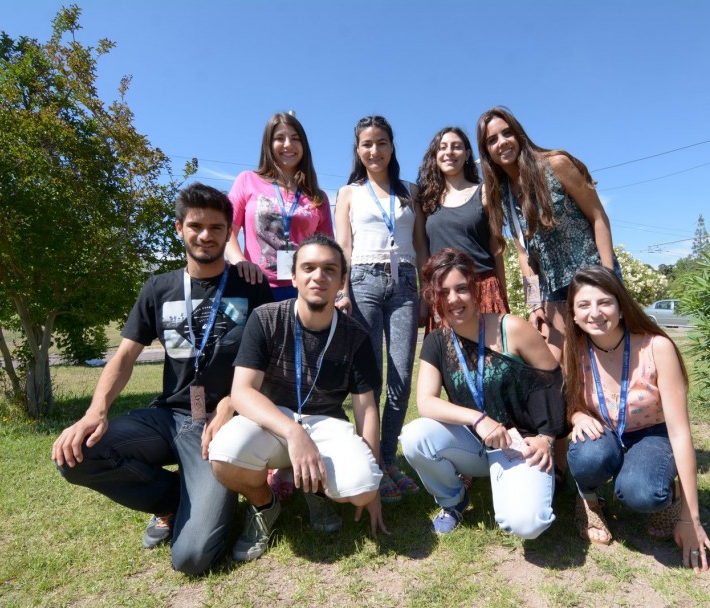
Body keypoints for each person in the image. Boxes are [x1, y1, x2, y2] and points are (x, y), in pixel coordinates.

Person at [52, 183, 273, 575]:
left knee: (192, 558)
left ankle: (199, 505)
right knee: (78, 454)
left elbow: (268, 364)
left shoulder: (251, 287)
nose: (206, 235)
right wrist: (95, 411)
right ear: (179, 229)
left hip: (222, 425)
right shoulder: (158, 287)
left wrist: (230, 406)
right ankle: (172, 501)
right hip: (168, 417)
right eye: (196, 226)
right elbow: (124, 356)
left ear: (228, 231)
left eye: (216, 227)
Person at [207, 234, 387, 562]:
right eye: (308, 268)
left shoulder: (355, 336)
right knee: (223, 454)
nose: (318, 276)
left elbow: (367, 409)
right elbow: (242, 391)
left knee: (362, 489)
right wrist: (293, 432)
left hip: (326, 424)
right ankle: (264, 505)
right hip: (272, 420)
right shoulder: (265, 318)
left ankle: (315, 490)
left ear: (342, 280)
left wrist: (374, 480)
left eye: (330, 269)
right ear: (294, 276)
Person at [401, 248, 567, 537]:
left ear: (475, 289)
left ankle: (534, 482)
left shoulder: (511, 328)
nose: (453, 299)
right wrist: (478, 419)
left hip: (520, 443)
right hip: (474, 442)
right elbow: (425, 402)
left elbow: (554, 383)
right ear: (433, 296)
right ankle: (454, 500)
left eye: (461, 288)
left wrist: (547, 438)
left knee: (527, 525)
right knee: (415, 436)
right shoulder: (437, 341)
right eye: (444, 292)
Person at [563, 265, 710, 572]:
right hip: (604, 432)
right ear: (574, 314)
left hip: (652, 433)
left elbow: (681, 433)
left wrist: (690, 518)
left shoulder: (656, 347)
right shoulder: (576, 348)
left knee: (643, 492)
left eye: (604, 301)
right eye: (584, 305)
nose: (595, 312)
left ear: (621, 306)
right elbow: (570, 402)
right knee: (588, 454)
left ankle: (668, 495)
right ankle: (589, 502)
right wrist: (578, 415)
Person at [334, 115, 427, 503]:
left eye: (382, 143)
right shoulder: (348, 193)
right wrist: (343, 291)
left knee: (402, 375)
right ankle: (371, 461)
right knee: (368, 378)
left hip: (405, 283)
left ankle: (388, 460)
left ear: (392, 147)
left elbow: (420, 245)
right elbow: (344, 246)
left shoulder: (411, 191)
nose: (375, 150)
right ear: (358, 150)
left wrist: (426, 291)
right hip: (363, 282)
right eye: (367, 144)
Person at [476, 107, 616, 362]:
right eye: (492, 140)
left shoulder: (555, 164)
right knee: (561, 367)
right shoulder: (504, 194)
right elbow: (524, 256)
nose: (502, 143)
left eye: (507, 133)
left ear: (519, 134)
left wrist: (609, 279)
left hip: (592, 278)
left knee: (605, 358)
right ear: (487, 153)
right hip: (553, 291)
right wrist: (534, 304)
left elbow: (599, 218)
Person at [226, 111, 333, 300]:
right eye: (279, 138)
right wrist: (240, 262)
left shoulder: (318, 197)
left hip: (303, 289)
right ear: (268, 144)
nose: (288, 145)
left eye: (295, 138)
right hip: (255, 285)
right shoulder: (247, 180)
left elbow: (326, 249)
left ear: (304, 145)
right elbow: (227, 232)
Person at [416, 126, 509, 332]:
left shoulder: (484, 192)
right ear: (436, 155)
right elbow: (422, 252)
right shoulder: (425, 201)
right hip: (444, 293)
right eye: (443, 147)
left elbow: (497, 250)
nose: (449, 152)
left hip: (483, 289)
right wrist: (427, 295)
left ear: (467, 154)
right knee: (451, 361)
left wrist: (502, 294)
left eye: (456, 147)